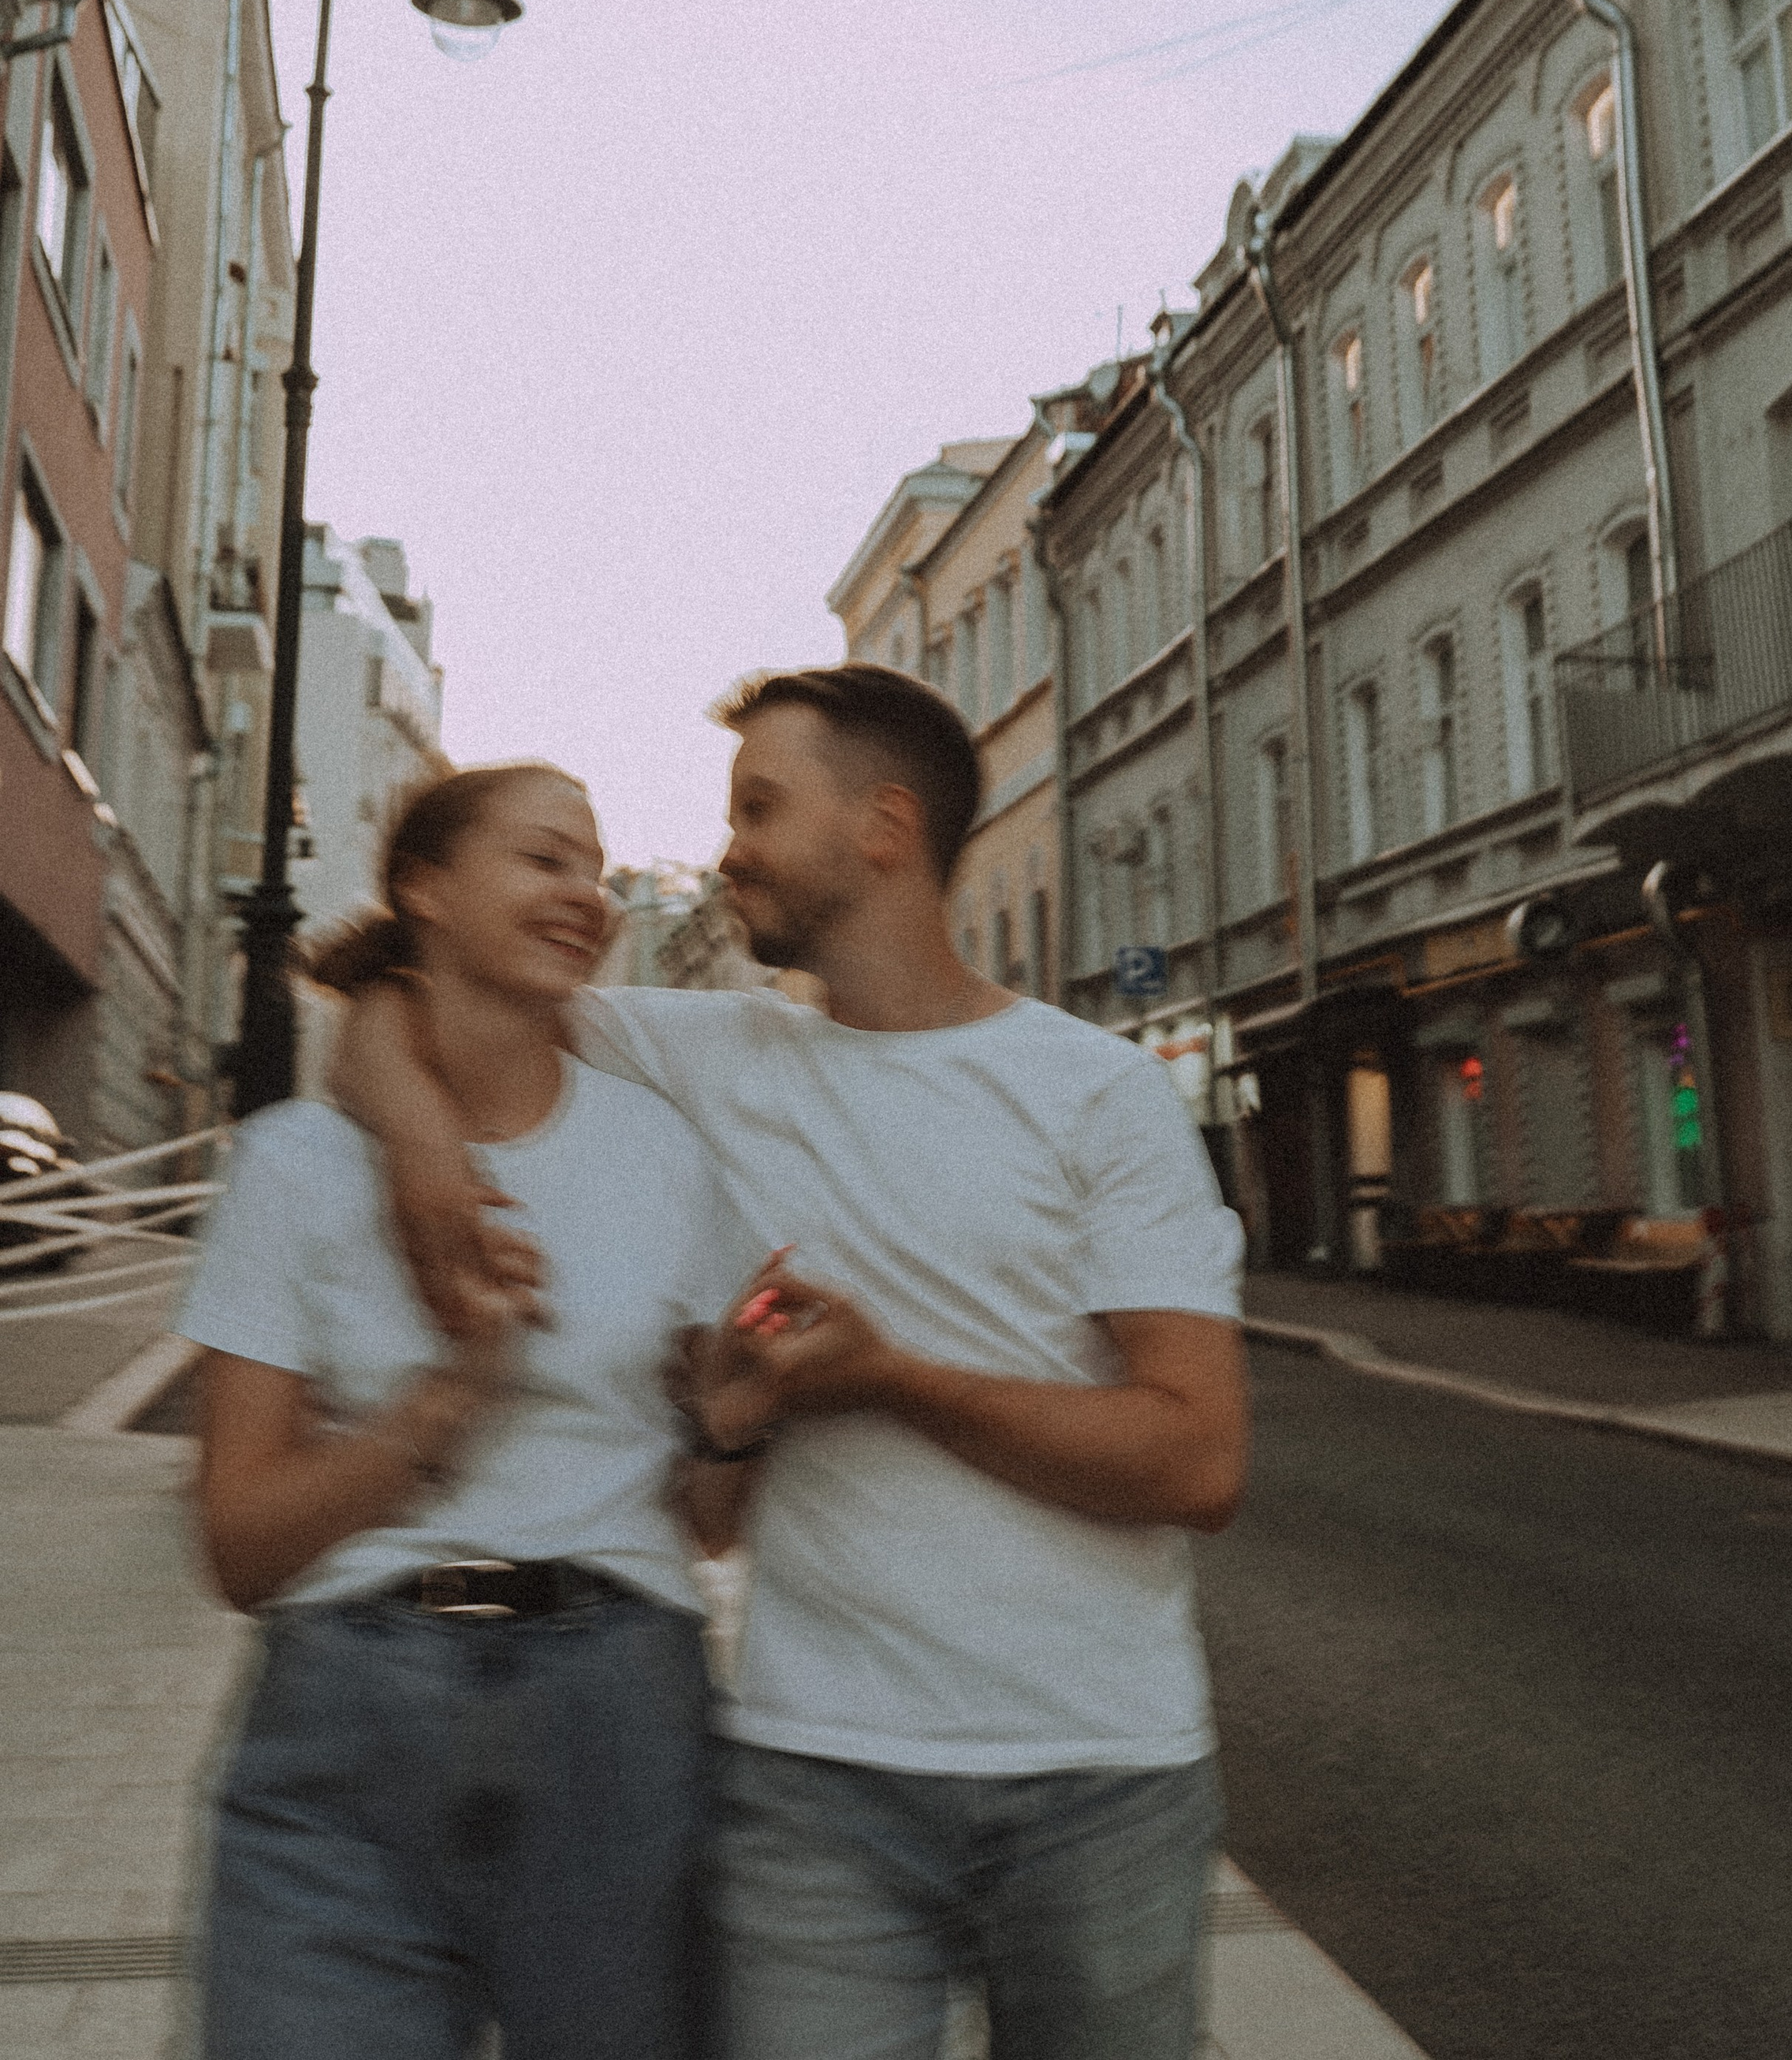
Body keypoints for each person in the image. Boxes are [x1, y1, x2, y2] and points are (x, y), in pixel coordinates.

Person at [336, 665, 1250, 2060]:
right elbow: (411, 990)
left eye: (759, 809)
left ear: (884, 828)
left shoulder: (1099, 1094)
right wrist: (417, 1142)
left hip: (1102, 1771)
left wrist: (892, 1378)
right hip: (815, 1775)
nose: (730, 851)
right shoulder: (713, 1055)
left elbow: (1197, 1460)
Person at [181, 762, 752, 2060]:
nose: (585, 894)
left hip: (619, 1708)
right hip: (346, 1717)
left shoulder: (666, 1150)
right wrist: (454, 1395)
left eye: (594, 868)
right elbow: (239, 1549)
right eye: (544, 858)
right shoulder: (292, 1167)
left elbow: (712, 1523)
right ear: (424, 888)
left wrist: (746, 1416)